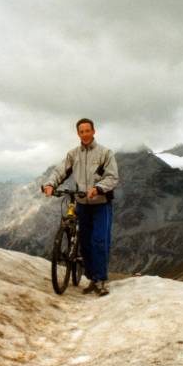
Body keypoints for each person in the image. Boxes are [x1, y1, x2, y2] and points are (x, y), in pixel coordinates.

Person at [42, 118, 119, 296]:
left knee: (99, 241)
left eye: (87, 130)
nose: (85, 134)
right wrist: (50, 184)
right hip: (82, 204)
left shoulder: (105, 153)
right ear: (78, 134)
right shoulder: (73, 154)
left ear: (93, 131)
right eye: (81, 131)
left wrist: (98, 188)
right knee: (85, 244)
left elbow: (112, 177)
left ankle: (101, 280)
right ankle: (92, 278)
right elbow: (60, 171)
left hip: (101, 204)